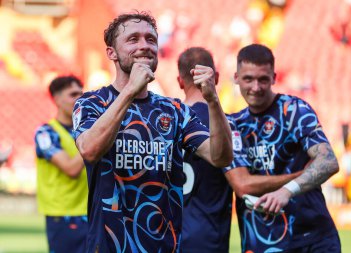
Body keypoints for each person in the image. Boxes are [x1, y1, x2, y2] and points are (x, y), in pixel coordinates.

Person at [72, 12, 233, 253]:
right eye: (133, 39)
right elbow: (89, 148)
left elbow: (221, 157)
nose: (144, 46)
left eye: (150, 39)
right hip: (109, 246)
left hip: (164, 246)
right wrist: (129, 92)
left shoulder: (174, 110)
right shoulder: (92, 103)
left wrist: (213, 101)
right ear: (112, 53)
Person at [178, 47, 303, 253]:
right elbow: (243, 183)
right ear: (215, 78)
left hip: (168, 236)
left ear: (180, 81)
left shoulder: (165, 120)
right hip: (208, 238)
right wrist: (300, 176)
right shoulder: (227, 125)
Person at [228, 43, 341, 252]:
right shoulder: (233, 125)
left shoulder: (295, 110)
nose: (256, 87)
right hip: (262, 243)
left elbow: (329, 161)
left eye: (263, 79)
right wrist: (302, 174)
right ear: (236, 78)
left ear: (274, 78)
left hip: (313, 239)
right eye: (248, 79)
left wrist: (287, 191)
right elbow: (242, 185)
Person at [34, 75, 88, 253]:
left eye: (81, 93)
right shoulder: (46, 133)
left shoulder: (85, 130)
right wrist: (93, 140)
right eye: (73, 94)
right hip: (63, 215)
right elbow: (71, 169)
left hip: (92, 211)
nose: (80, 98)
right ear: (56, 99)